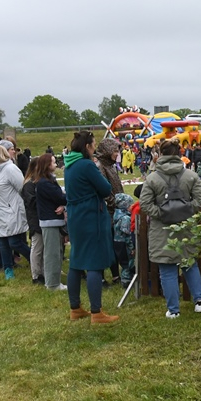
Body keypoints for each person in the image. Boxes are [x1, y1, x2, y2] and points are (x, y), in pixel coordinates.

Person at [140, 139, 201, 318]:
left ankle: (174, 310)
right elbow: (200, 200)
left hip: (162, 230)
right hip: (186, 227)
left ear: (160, 154)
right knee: (189, 263)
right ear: (179, 154)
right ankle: (199, 301)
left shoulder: (153, 178)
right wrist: (185, 212)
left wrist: (162, 213)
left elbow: (145, 204)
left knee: (167, 270)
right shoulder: (191, 176)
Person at [63, 130, 119, 324]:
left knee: (76, 262)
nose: (95, 148)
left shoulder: (68, 166)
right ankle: (97, 312)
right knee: (94, 263)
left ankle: (75, 308)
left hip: (75, 217)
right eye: (93, 145)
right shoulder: (86, 165)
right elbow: (105, 189)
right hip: (91, 216)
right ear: (87, 147)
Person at [0, 145, 31, 280]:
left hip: (12, 211)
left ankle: (36, 261)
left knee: (14, 242)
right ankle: (8, 269)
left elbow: (22, 188)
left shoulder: (11, 169)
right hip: (0, 212)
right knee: (3, 242)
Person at [35, 153, 68, 291]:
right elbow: (60, 197)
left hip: (53, 221)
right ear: (47, 165)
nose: (56, 164)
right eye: (54, 162)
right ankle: (52, 284)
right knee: (52, 253)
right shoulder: (44, 183)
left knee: (56, 252)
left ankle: (53, 281)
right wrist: (63, 202)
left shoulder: (47, 181)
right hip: (50, 221)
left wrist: (63, 205)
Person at [94, 138, 124, 285]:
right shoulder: (100, 167)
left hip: (115, 211)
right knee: (105, 244)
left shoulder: (111, 166)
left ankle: (115, 275)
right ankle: (101, 276)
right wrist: (116, 203)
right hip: (107, 211)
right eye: (115, 151)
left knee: (114, 243)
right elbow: (104, 191)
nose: (117, 154)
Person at [21, 156, 45, 284]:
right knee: (37, 247)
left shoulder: (37, 182)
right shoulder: (29, 185)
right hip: (35, 219)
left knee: (42, 247)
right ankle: (36, 274)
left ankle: (42, 271)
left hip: (41, 217)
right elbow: (32, 202)